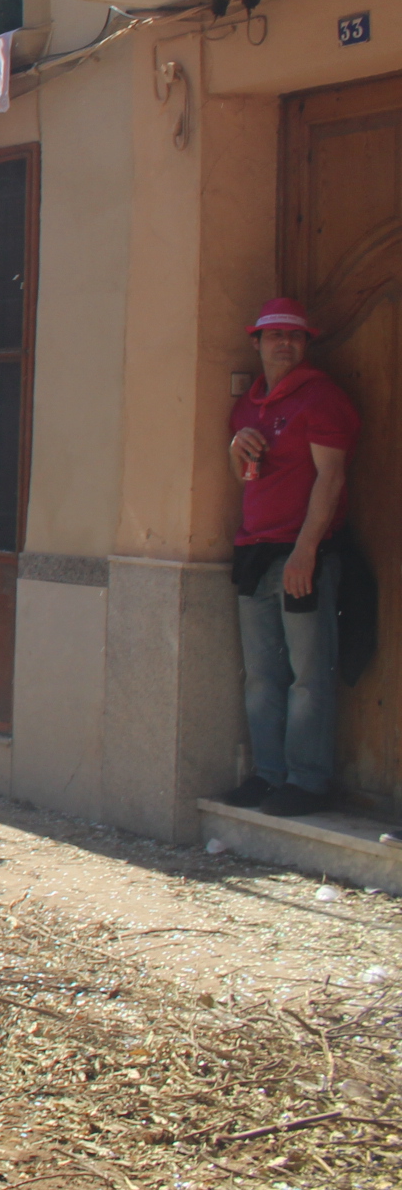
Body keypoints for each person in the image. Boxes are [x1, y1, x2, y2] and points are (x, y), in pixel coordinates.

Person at [219, 298, 357, 818]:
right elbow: (247, 477)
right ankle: (269, 775)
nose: (284, 344)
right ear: (256, 342)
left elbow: (332, 476)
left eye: (295, 337)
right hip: (255, 552)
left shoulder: (321, 399)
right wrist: (237, 446)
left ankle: (307, 780)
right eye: (274, 335)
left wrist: (307, 551)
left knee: (308, 674)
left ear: (306, 345)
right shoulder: (248, 406)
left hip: (303, 555)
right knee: (261, 674)